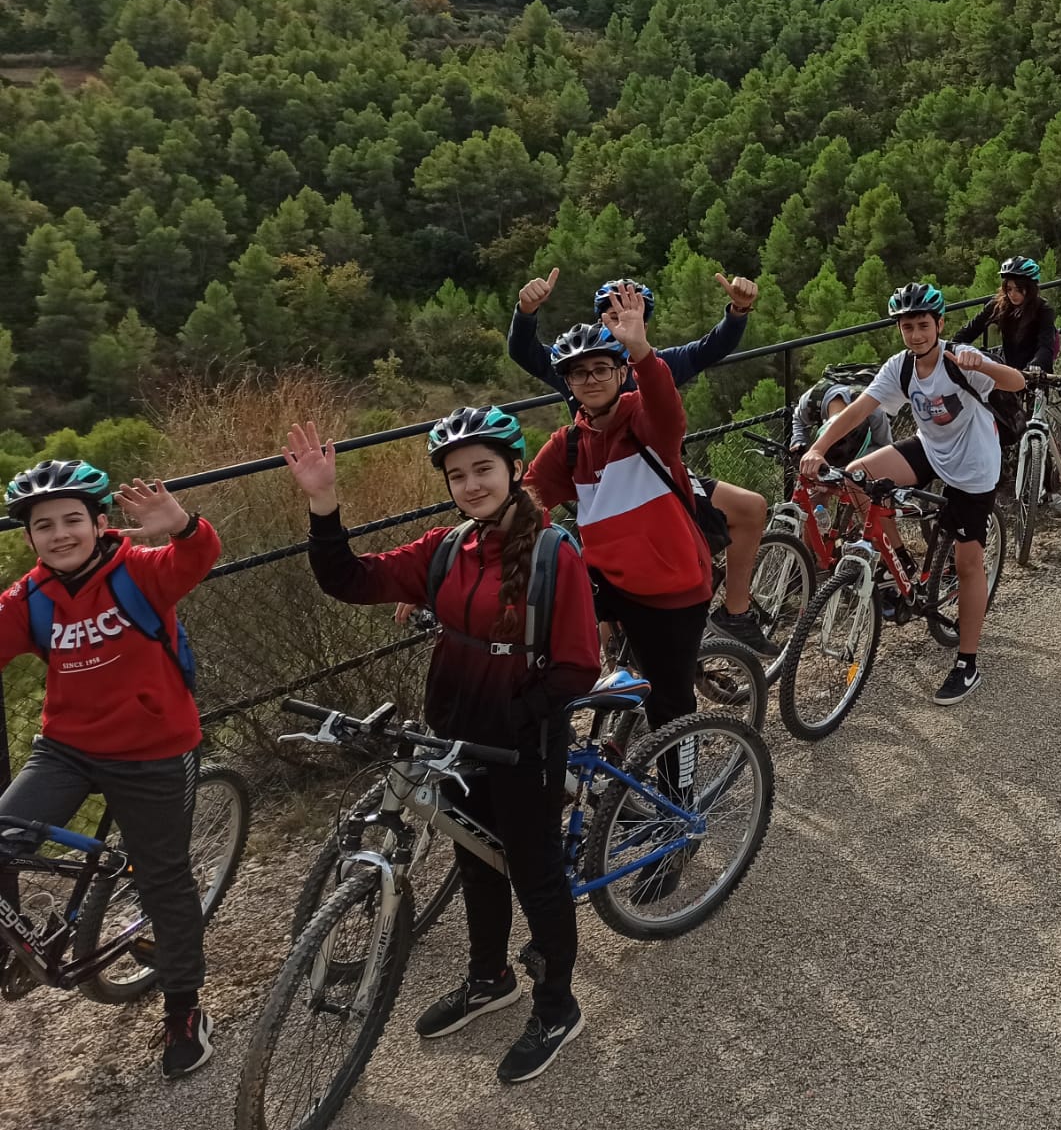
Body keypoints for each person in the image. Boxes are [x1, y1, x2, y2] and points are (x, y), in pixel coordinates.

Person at [287, 408, 600, 1085]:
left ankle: (556, 1005)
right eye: (457, 475)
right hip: (453, 737)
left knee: (536, 873)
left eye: (482, 468)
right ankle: (489, 977)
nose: (470, 483)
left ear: (514, 470)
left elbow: (578, 666)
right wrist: (323, 503)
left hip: (523, 744)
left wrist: (518, 717)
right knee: (475, 859)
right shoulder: (448, 546)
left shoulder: (555, 552)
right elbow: (350, 579)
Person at [0, 461, 222, 1079]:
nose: (60, 533)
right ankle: (15, 947)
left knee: (164, 880)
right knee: (3, 839)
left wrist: (181, 525)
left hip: (154, 749)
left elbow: (195, 557)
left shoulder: (138, 571)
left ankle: (183, 1009)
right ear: (30, 538)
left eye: (73, 519)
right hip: (66, 749)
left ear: (100, 523)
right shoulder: (32, 597)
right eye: (44, 525)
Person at [507, 271, 774, 656]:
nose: (621, 319)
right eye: (610, 313)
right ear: (599, 321)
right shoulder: (577, 365)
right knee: (609, 589)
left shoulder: (656, 363)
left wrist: (738, 310)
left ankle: (734, 613)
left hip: (659, 476)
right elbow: (525, 352)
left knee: (749, 507)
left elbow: (710, 348)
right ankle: (616, 666)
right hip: (601, 482)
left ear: (644, 322)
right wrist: (526, 310)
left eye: (633, 311)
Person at [798, 283, 1025, 705]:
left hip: (974, 466)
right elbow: (857, 410)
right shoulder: (901, 367)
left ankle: (967, 662)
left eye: (923, 325)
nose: (916, 334)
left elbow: (1017, 381)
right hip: (930, 450)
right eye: (908, 327)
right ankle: (900, 564)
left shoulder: (960, 360)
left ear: (940, 324)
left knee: (968, 561)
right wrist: (817, 448)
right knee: (855, 477)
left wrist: (987, 365)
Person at [527, 287, 715, 735]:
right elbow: (519, 504)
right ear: (567, 383)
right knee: (535, 638)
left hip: (670, 586)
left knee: (671, 710)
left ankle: (679, 799)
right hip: (608, 579)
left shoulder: (644, 423)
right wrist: (450, 560)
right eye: (578, 373)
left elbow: (667, 408)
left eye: (600, 369)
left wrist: (641, 351)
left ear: (618, 372)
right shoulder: (567, 445)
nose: (590, 380)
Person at [956, 256, 1061, 372]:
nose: (1013, 294)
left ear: (1031, 288)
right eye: (1009, 289)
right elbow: (970, 330)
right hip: (1009, 367)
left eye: (1019, 289)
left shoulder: (1043, 310)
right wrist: (951, 348)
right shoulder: (998, 305)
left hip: (1034, 369)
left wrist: (1035, 366)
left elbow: (1045, 346)